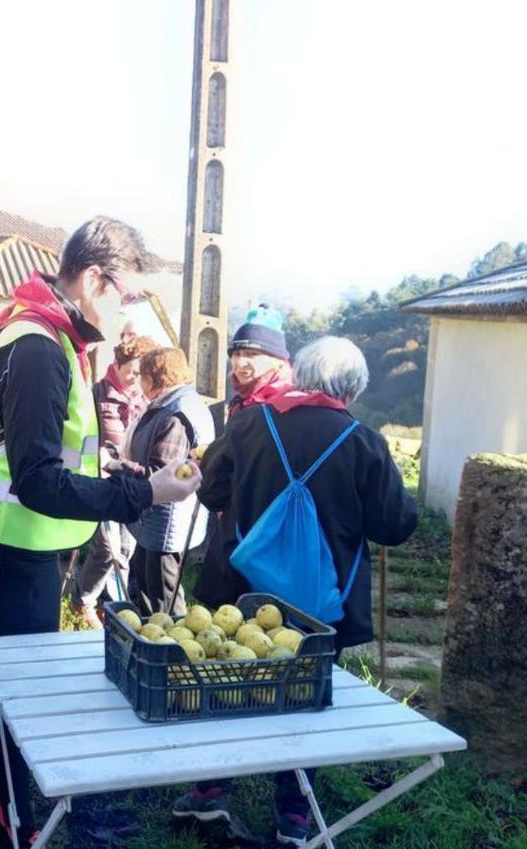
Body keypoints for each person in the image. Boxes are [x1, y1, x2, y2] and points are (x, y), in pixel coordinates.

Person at [0, 217, 202, 848]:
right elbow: (37, 480)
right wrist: (147, 491)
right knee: (13, 695)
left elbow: (46, 451)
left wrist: (115, 469)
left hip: (18, 543)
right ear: (91, 280)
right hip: (10, 547)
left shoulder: (43, 332)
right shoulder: (38, 347)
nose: (129, 312)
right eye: (127, 295)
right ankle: (15, 828)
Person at [173, 336, 418, 848]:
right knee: (305, 701)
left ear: (299, 376)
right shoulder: (362, 440)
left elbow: (212, 491)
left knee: (229, 686)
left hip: (242, 592)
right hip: (320, 602)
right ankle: (295, 819)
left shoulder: (248, 423)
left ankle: (211, 791)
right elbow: (395, 524)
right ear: (351, 389)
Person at [195, 303, 294, 609]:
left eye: (252, 354)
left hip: (263, 522)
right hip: (238, 516)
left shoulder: (283, 404)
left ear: (278, 360)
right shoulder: (245, 401)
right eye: (237, 354)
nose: (240, 362)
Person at [71, 334, 158, 627]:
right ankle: (82, 601)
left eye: (140, 373)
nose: (134, 379)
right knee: (107, 549)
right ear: (117, 365)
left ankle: (110, 604)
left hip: (132, 481)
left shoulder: (146, 399)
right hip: (102, 479)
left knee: (126, 549)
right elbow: (86, 439)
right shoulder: (98, 393)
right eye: (130, 371)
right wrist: (104, 460)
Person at [125, 347, 214, 617]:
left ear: (154, 379)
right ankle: (149, 640)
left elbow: (165, 473)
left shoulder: (177, 415)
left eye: (142, 375)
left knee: (164, 595)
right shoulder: (174, 404)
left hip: (165, 520)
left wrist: (121, 468)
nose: (138, 382)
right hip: (155, 519)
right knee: (144, 583)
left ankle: (173, 652)